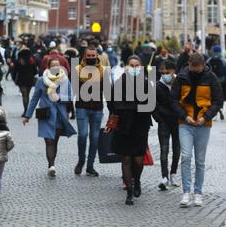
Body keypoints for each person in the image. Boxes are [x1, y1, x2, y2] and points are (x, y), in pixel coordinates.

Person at [171, 53, 223, 207]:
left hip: (203, 124)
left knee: (200, 161)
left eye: (197, 69)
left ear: (202, 65)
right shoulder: (181, 77)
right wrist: (184, 116)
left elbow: (218, 100)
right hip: (185, 122)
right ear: (188, 65)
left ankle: (198, 192)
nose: (194, 71)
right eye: (192, 68)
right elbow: (173, 99)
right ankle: (186, 192)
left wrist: (205, 117)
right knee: (186, 157)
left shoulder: (211, 78)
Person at [106, 55, 153, 206]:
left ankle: (137, 179)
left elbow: (151, 104)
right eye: (131, 65)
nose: (134, 68)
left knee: (138, 160)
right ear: (126, 66)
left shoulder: (146, 84)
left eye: (136, 65)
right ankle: (129, 192)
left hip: (140, 125)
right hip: (124, 125)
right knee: (126, 158)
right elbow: (112, 103)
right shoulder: (119, 83)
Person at [23, 58, 77, 177]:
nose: (55, 67)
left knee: (55, 141)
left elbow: (70, 97)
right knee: (49, 140)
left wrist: (58, 97)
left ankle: (51, 163)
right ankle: (51, 165)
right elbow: (34, 98)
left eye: (57, 65)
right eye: (53, 65)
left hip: (59, 115)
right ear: (48, 67)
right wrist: (27, 115)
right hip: (45, 114)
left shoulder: (65, 80)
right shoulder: (41, 81)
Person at [74, 46, 109, 177]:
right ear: (84, 56)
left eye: (93, 55)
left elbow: (107, 90)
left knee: (95, 138)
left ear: (97, 56)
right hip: (81, 107)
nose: (91, 58)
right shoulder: (77, 70)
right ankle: (81, 160)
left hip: (97, 108)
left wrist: (112, 110)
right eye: (88, 56)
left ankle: (90, 166)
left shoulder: (103, 71)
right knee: (82, 135)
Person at [153, 60, 180, 190]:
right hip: (164, 122)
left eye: (167, 72)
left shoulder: (179, 83)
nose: (164, 75)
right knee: (164, 149)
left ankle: (173, 174)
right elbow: (153, 104)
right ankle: (164, 177)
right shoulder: (158, 86)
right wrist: (158, 118)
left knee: (177, 149)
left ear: (173, 71)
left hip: (178, 121)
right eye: (162, 73)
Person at [13, 46, 38, 116]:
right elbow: (35, 71)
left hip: (21, 79)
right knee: (27, 94)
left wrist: (14, 79)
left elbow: (15, 71)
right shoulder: (32, 60)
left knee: (24, 95)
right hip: (30, 79)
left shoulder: (19, 60)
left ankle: (26, 110)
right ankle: (27, 111)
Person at [207, 45, 226, 120]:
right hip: (221, 82)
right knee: (220, 97)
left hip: (211, 82)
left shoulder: (209, 60)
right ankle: (220, 108)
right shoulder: (224, 60)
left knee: (212, 97)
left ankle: (213, 110)